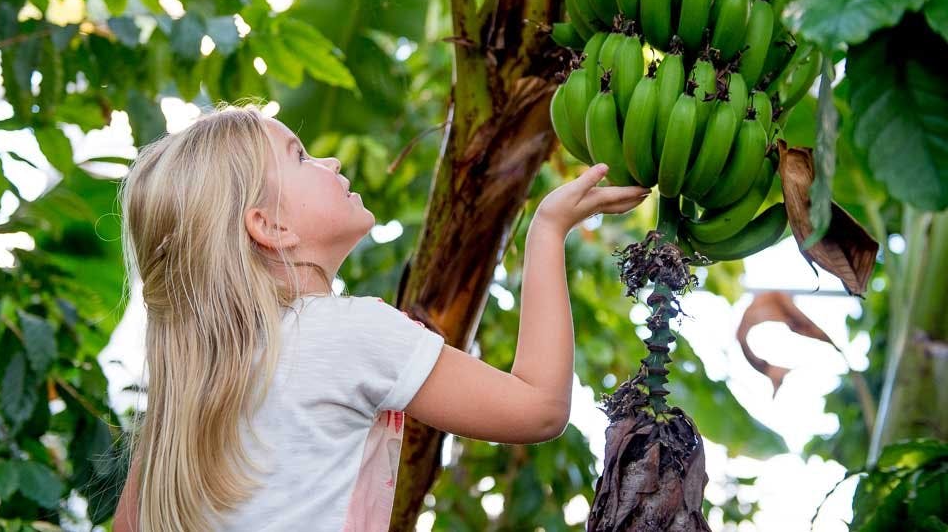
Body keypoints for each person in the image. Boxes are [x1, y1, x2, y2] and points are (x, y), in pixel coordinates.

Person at [111, 101, 649, 532]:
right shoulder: (345, 334)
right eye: (300, 158)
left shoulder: (183, 406)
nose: (332, 162)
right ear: (270, 227)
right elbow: (538, 409)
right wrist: (548, 228)